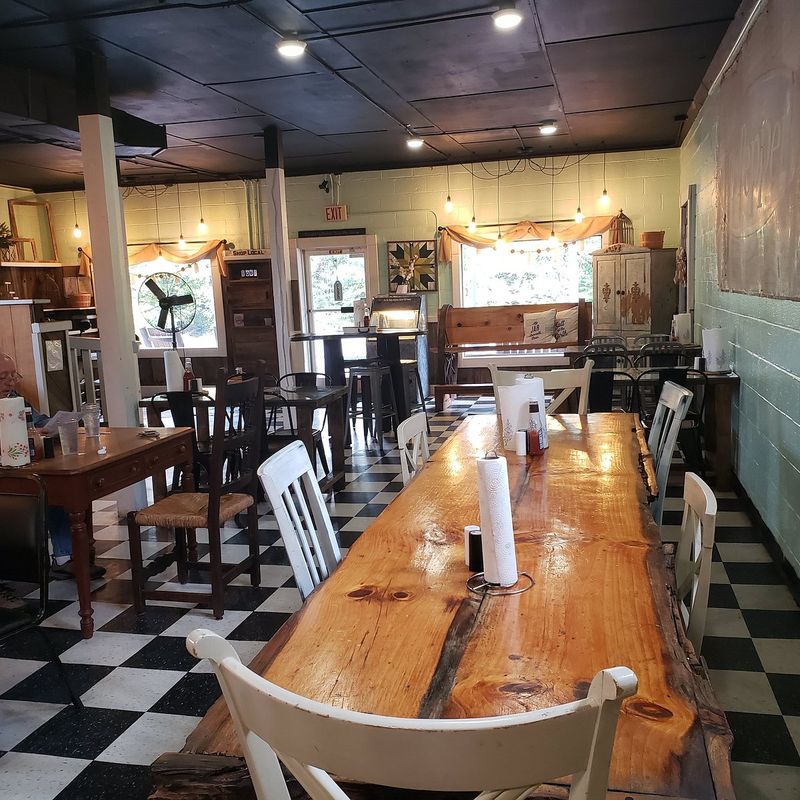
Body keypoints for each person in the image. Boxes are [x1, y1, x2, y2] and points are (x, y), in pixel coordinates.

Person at [0, 352, 104, 592]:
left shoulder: (15, 398)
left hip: (24, 468)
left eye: (13, 376)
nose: (10, 382)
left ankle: (64, 558)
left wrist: (47, 428)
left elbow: (39, 422)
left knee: (54, 489)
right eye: (3, 377)